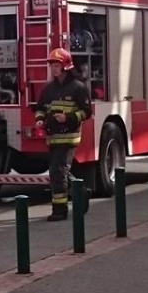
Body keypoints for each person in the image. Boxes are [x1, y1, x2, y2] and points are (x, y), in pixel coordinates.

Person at [33, 48, 92, 222]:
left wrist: (67, 117)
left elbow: (86, 112)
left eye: (56, 65)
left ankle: (60, 210)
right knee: (60, 171)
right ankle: (80, 189)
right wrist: (40, 119)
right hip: (52, 137)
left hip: (69, 137)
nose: (53, 68)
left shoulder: (78, 88)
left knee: (57, 172)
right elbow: (41, 108)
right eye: (51, 65)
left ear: (65, 66)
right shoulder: (49, 89)